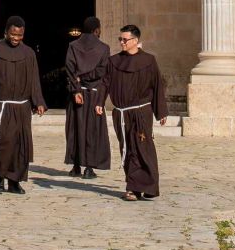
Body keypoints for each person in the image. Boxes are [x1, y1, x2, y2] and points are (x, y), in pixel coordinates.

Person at [0, 15, 45, 193]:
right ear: (6, 32)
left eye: (20, 35)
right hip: (1, 106)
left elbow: (34, 80)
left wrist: (38, 101)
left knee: (20, 144)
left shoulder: (29, 53)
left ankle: (14, 181)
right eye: (13, 35)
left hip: (22, 107)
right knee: (3, 142)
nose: (16, 38)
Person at [105, 23, 167, 201]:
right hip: (122, 114)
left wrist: (160, 111)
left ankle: (146, 186)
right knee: (127, 148)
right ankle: (133, 187)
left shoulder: (148, 60)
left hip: (141, 112)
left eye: (125, 40)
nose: (122, 43)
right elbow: (105, 83)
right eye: (120, 39)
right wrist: (99, 103)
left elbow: (157, 86)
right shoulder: (114, 61)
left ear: (136, 40)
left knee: (142, 147)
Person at [63, 16, 111, 178]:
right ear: (96, 30)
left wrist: (77, 87)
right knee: (93, 130)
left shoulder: (73, 46)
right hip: (94, 94)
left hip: (76, 94)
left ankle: (75, 166)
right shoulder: (104, 48)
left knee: (75, 128)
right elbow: (102, 71)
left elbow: (70, 69)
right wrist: (85, 78)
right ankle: (89, 168)